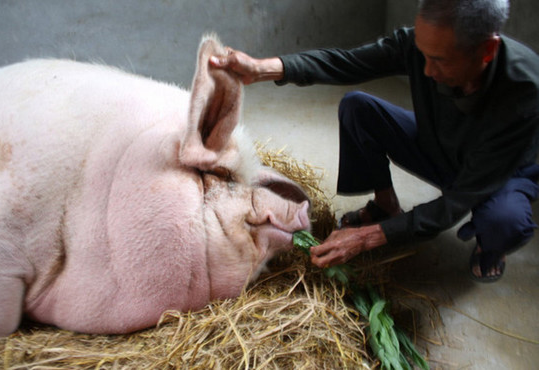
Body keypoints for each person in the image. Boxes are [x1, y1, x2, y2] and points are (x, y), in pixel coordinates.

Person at [210, 0, 539, 282]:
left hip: (495, 177)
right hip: (441, 144)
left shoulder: (524, 88)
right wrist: (261, 68)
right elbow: (347, 62)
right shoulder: (424, 45)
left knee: (503, 220)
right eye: (422, 54)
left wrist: (366, 239)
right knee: (358, 107)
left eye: (439, 60)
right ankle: (386, 206)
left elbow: (462, 198)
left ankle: (492, 246)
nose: (425, 70)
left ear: (488, 50)